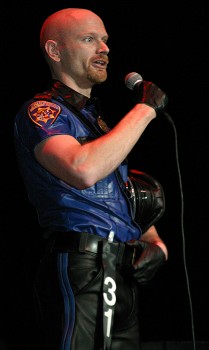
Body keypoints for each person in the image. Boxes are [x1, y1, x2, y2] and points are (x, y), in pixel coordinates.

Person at [14, 7, 169, 350]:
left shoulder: (96, 121)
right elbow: (82, 169)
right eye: (89, 39)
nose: (104, 48)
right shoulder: (44, 112)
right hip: (83, 267)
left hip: (121, 270)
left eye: (105, 40)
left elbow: (119, 190)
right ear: (55, 51)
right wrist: (145, 110)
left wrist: (154, 241)